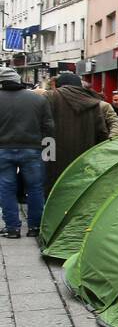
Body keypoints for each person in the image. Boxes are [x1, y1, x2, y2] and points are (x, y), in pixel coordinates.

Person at [0, 66, 55, 238]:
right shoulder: (37, 99)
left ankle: (12, 228)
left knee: (5, 188)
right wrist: (48, 151)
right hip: (32, 149)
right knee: (35, 188)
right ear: (18, 80)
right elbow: (49, 127)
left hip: (3, 150)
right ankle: (35, 227)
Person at [42, 71, 111, 194]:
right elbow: (101, 131)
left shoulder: (50, 97)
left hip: (52, 150)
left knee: (53, 185)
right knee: (79, 187)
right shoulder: (92, 101)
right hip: (85, 152)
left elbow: (41, 124)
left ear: (58, 85)